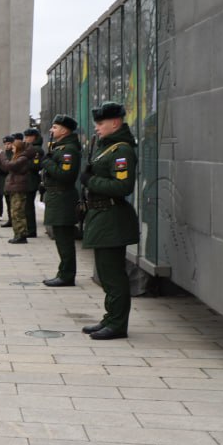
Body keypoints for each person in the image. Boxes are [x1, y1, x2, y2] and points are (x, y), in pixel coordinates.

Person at [80, 102, 138, 339]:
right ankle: (111, 317)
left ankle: (117, 324)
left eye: (101, 123)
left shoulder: (121, 150)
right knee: (105, 273)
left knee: (113, 275)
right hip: (102, 216)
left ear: (115, 123)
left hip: (112, 217)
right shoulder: (108, 147)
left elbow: (123, 186)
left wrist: (90, 181)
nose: (97, 128)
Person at [41, 114, 83, 287]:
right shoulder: (61, 147)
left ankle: (66, 275)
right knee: (60, 238)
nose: (51, 130)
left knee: (64, 239)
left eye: (55, 127)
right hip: (56, 197)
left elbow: (66, 176)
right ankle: (64, 272)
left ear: (65, 130)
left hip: (62, 198)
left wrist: (48, 163)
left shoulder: (69, 150)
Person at [4, 132, 38, 244]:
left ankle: (21, 234)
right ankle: (18, 233)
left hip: (19, 187)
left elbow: (11, 166)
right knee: (15, 211)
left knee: (18, 212)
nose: (11, 149)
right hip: (15, 186)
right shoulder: (18, 157)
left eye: (13, 147)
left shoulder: (22, 158)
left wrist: (1, 157)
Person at [23, 128, 43, 238]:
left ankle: (31, 230)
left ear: (33, 137)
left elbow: (35, 165)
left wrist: (23, 161)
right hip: (28, 179)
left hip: (31, 180)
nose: (25, 139)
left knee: (29, 207)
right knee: (27, 207)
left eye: (27, 137)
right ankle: (29, 228)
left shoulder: (36, 149)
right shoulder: (30, 148)